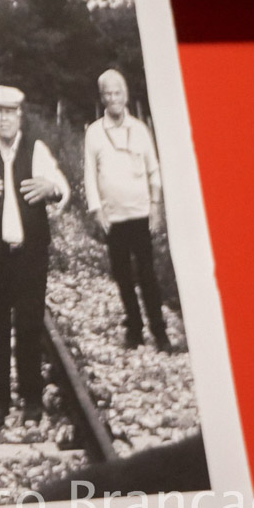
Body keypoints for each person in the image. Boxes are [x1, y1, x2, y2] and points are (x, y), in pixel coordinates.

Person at [0, 85, 70, 426]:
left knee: (29, 325)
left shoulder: (36, 149)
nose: (4, 119)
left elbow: (63, 188)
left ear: (19, 115)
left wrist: (52, 189)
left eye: (10, 112)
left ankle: (31, 400)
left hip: (30, 255)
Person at [83, 69, 173, 352]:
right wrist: (97, 210)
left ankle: (160, 332)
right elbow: (89, 175)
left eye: (117, 93)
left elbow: (154, 170)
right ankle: (134, 330)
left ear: (126, 95)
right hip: (113, 218)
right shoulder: (94, 132)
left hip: (141, 215)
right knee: (123, 277)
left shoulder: (140, 129)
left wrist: (156, 207)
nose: (113, 98)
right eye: (108, 94)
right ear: (102, 98)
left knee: (147, 275)